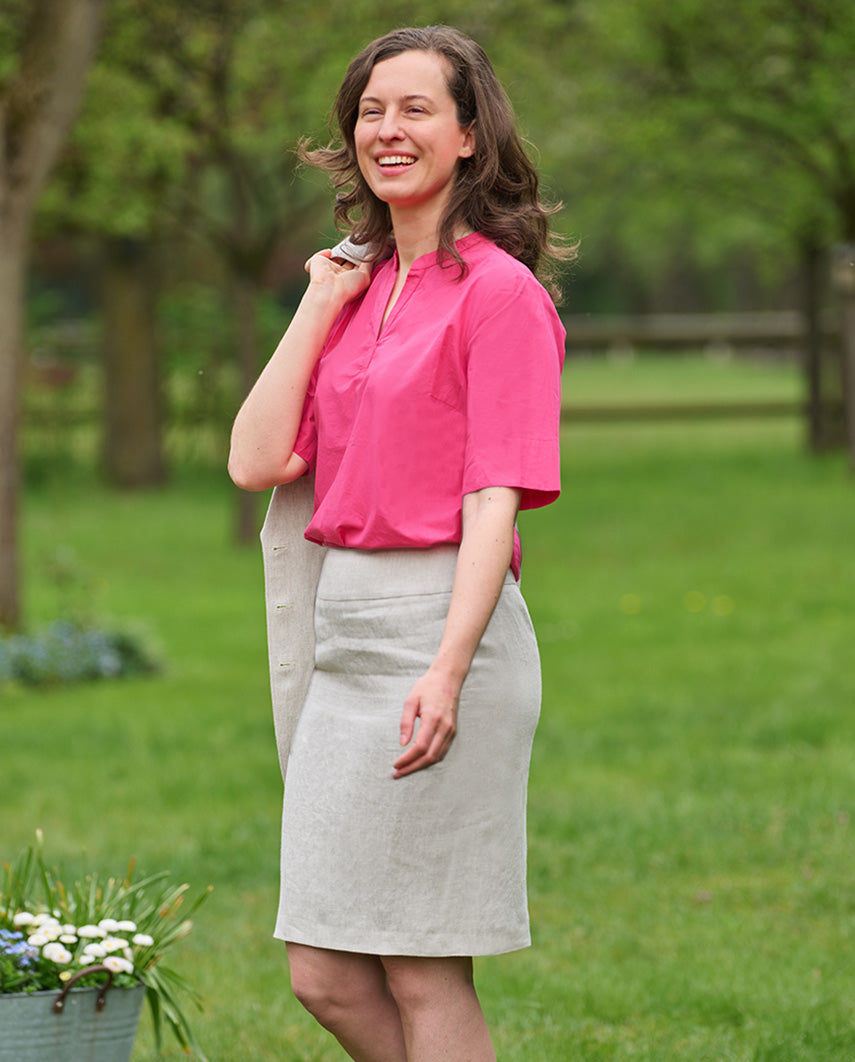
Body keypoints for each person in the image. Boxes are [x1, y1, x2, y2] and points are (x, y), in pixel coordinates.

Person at [228, 25, 571, 1062]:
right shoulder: (356, 288)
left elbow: (493, 500)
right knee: (325, 969)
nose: (389, 130)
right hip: (345, 647)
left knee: (422, 964)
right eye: (373, 111)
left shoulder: (501, 294)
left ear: (470, 136)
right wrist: (322, 293)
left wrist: (450, 666)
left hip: (440, 632)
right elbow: (254, 459)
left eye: (417, 109)